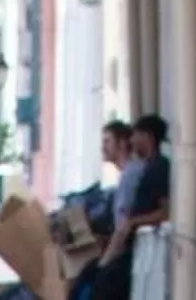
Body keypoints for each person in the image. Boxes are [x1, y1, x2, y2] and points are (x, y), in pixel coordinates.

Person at [95, 115, 172, 300]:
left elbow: (165, 211)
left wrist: (133, 222)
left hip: (140, 250)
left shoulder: (157, 168)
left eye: (136, 135)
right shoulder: (147, 168)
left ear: (148, 137)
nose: (132, 141)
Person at [64, 121, 130, 300]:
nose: (103, 147)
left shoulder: (130, 177)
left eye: (107, 141)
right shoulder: (123, 179)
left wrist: (105, 262)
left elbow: (124, 227)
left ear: (122, 143)